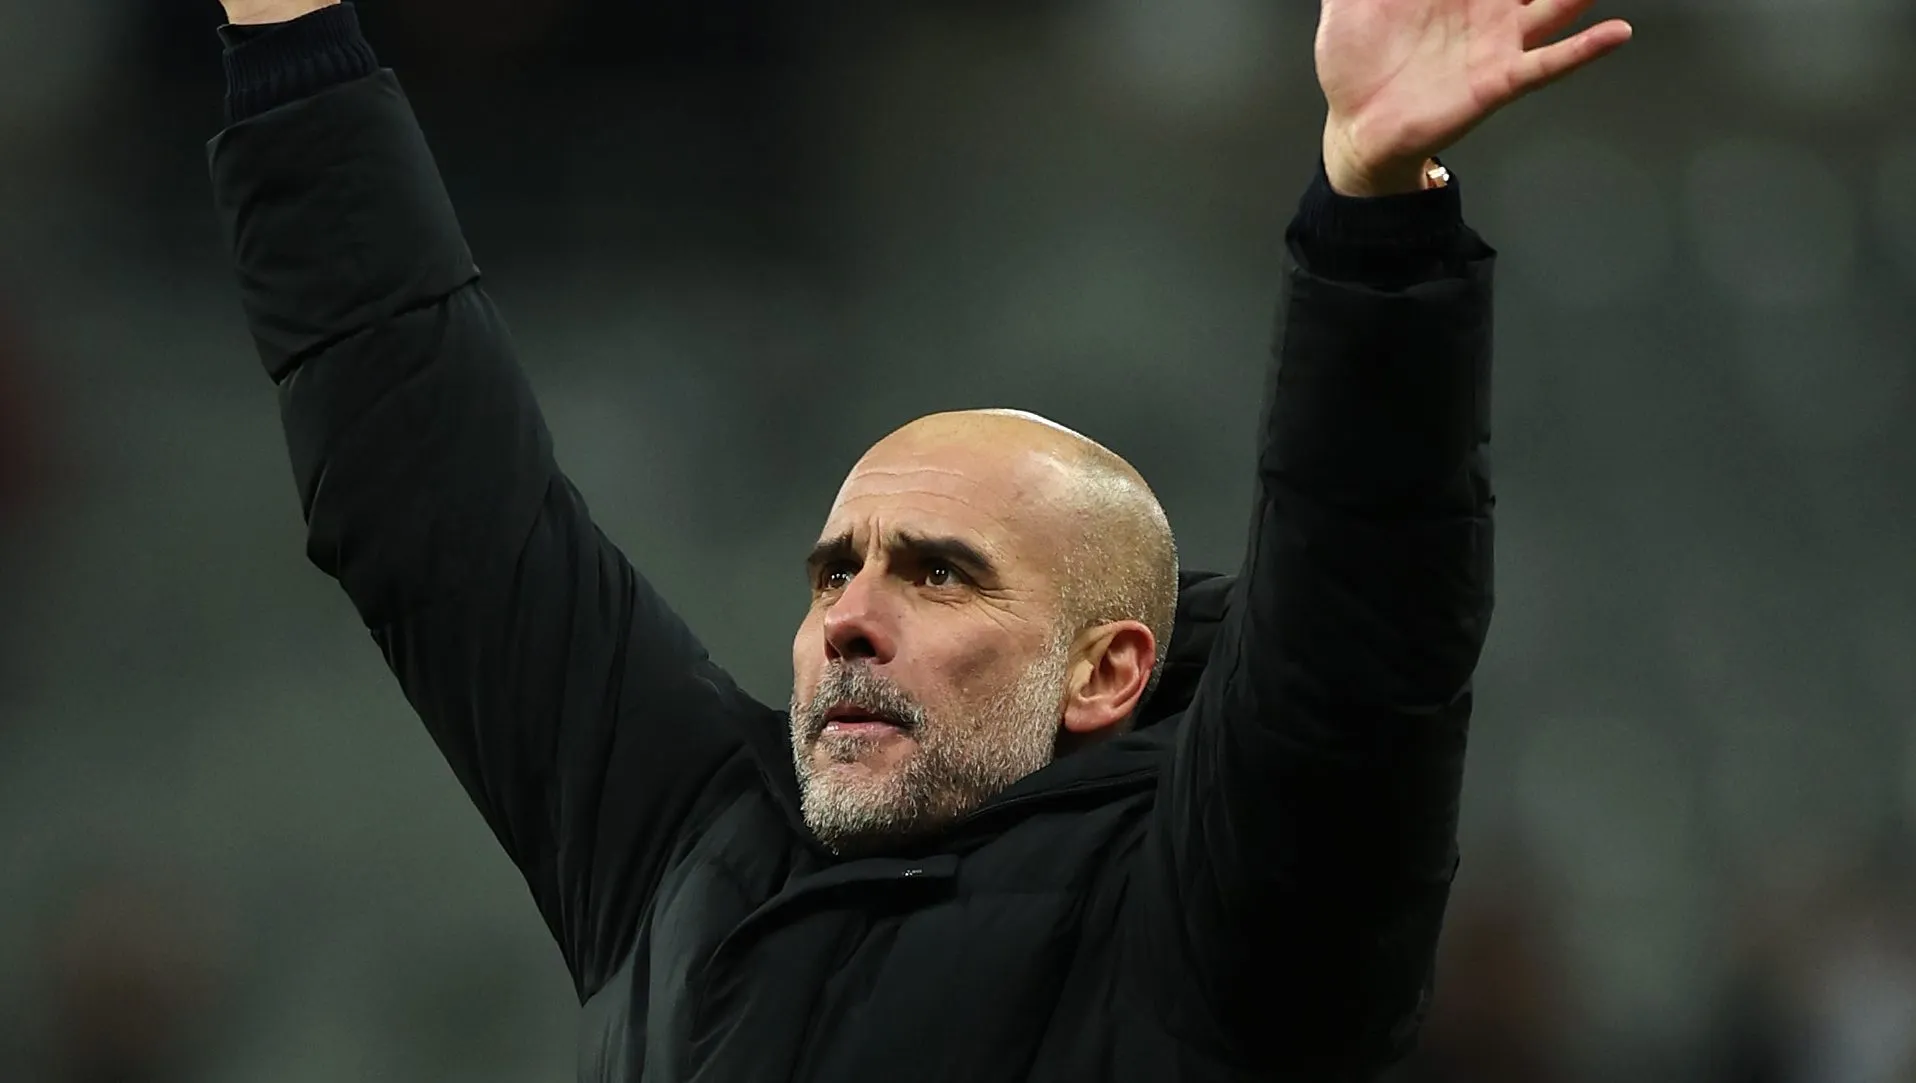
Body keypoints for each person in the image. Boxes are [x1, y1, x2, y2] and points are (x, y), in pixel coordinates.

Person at [205, 0, 1629, 1079]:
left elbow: (1361, 644)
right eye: (836, 568)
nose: (850, 613)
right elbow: (431, 493)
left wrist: (1375, 217)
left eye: (938, 570)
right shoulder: (695, 840)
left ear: (1106, 670)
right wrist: (284, 24)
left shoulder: (1214, 921)